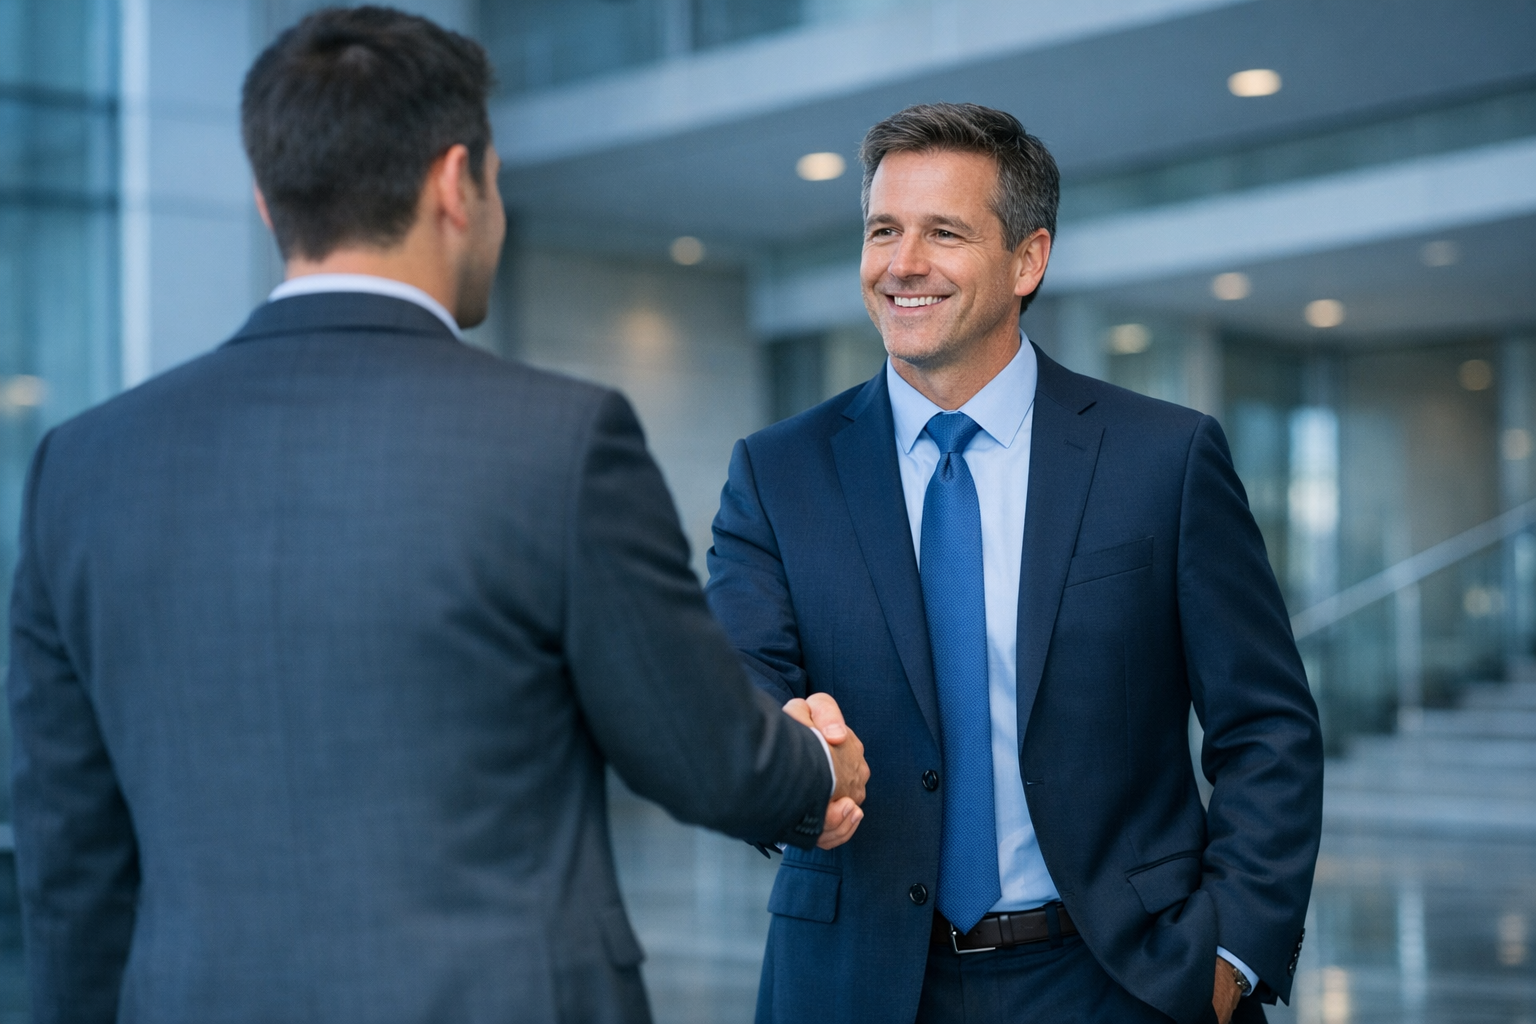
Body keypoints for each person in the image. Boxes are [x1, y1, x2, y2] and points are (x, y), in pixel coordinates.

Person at [6, 9, 868, 1023]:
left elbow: (70, 856)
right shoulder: (557, 440)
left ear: (264, 196)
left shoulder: (85, 464)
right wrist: (817, 768)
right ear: (457, 181)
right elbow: (705, 756)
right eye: (496, 183)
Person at [705, 102, 1323, 1024]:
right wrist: (794, 766)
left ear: (1028, 259)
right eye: (883, 231)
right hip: (853, 984)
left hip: (1120, 981)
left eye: (942, 233)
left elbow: (1267, 726)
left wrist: (1228, 957)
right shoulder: (777, 471)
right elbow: (734, 703)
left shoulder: (1164, 458)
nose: (901, 264)